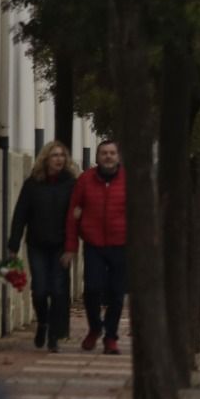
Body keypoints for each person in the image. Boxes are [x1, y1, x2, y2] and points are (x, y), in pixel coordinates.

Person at [7, 142, 77, 352]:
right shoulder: (32, 184)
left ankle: (54, 334)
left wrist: (71, 247)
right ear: (45, 159)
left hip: (60, 246)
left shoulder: (71, 184)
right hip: (37, 244)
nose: (59, 159)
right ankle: (43, 323)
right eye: (54, 156)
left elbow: (75, 216)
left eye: (62, 156)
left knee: (57, 290)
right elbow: (21, 214)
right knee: (39, 290)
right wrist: (14, 243)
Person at [62, 139, 127, 354]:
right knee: (92, 289)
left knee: (117, 294)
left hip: (121, 244)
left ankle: (110, 337)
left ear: (118, 157)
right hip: (94, 244)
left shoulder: (128, 180)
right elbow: (73, 215)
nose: (108, 156)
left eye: (112, 153)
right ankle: (95, 328)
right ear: (98, 157)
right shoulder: (86, 180)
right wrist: (70, 247)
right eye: (104, 153)